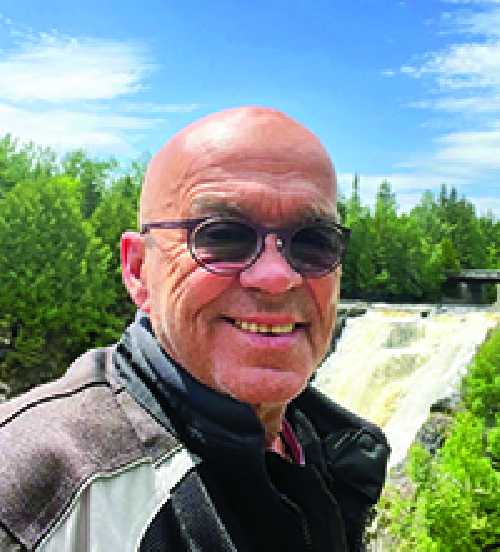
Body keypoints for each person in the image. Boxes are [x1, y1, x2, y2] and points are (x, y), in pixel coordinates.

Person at [0, 107, 389, 552]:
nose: (277, 276)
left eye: (314, 241)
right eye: (223, 235)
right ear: (138, 270)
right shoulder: (28, 500)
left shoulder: (328, 452)